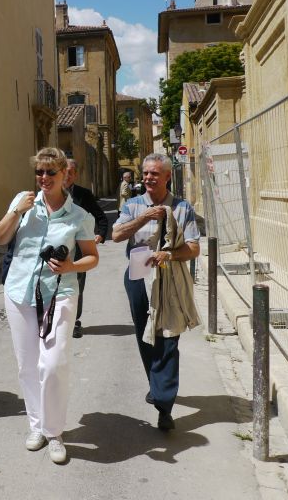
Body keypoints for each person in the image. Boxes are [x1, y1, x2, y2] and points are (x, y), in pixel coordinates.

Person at [0, 147, 99, 464]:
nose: (44, 177)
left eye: (51, 172)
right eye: (39, 172)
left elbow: (92, 257)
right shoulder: (23, 202)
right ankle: (37, 426)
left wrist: (71, 266)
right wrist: (16, 212)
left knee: (53, 364)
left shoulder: (79, 216)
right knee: (27, 365)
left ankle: (54, 432)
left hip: (59, 293)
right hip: (19, 292)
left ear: (64, 174)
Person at [111, 153, 200, 431]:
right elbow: (116, 235)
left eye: (155, 173)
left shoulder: (183, 208)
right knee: (145, 335)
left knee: (168, 338)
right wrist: (143, 217)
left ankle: (164, 405)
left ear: (167, 177)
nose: (149, 177)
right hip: (138, 277)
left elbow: (194, 247)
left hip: (170, 279)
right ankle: (156, 384)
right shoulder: (133, 205)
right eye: (146, 173)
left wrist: (169, 254)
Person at [64, 159, 108, 338]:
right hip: (57, 249)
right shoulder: (50, 193)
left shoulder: (84, 194)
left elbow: (100, 216)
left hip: (78, 250)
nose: (66, 175)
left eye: (70, 172)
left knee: (77, 286)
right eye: (63, 171)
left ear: (75, 175)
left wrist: (101, 234)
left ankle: (74, 321)